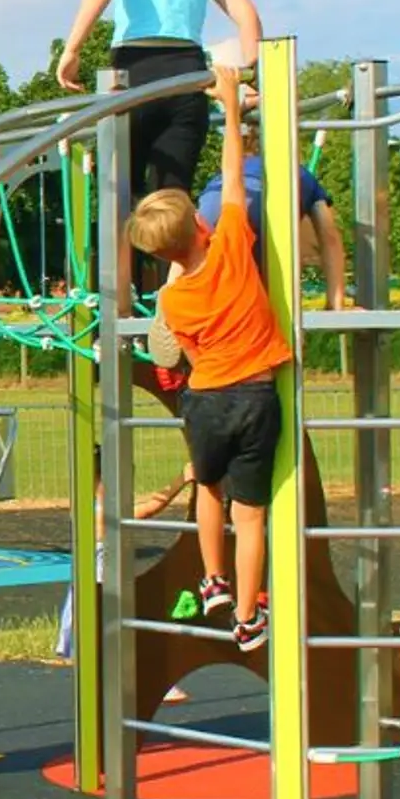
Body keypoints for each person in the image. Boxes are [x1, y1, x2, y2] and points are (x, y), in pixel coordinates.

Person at [124, 63, 290, 652]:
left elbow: (175, 341)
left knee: (209, 493)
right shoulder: (231, 250)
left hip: (204, 402)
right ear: (202, 223)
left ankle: (213, 579)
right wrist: (231, 111)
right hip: (254, 394)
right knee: (252, 513)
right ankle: (247, 614)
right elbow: (234, 175)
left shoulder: (172, 295)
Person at [56, 0, 263, 202]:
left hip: (134, 75)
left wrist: (73, 49)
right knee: (171, 204)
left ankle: (125, 255)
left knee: (123, 200)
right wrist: (252, 75)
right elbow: (248, 17)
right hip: (189, 77)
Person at [149, 127, 351, 369]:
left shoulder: (225, 173)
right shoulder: (300, 174)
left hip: (215, 200)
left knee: (191, 251)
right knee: (262, 283)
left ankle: (171, 293)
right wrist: (335, 302)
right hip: (261, 211)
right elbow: (329, 237)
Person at [56, 455, 195, 704]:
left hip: (99, 587)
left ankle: (124, 685)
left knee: (119, 639)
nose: (126, 487)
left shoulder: (88, 507)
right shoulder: (101, 515)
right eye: (121, 480)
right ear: (101, 482)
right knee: (129, 633)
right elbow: (153, 507)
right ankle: (152, 683)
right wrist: (182, 479)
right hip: (102, 590)